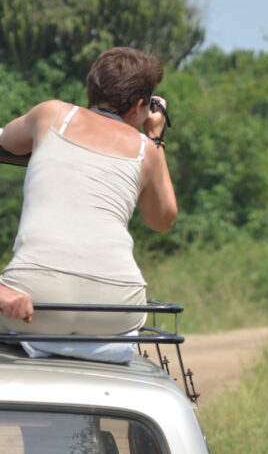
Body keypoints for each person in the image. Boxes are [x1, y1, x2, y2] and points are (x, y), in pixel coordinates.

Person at [0, 47, 177, 361]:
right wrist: (155, 138)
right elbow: (161, 220)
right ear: (140, 105)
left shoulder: (51, 114)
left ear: (92, 88)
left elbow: (8, 142)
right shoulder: (146, 151)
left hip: (34, 301)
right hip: (114, 308)